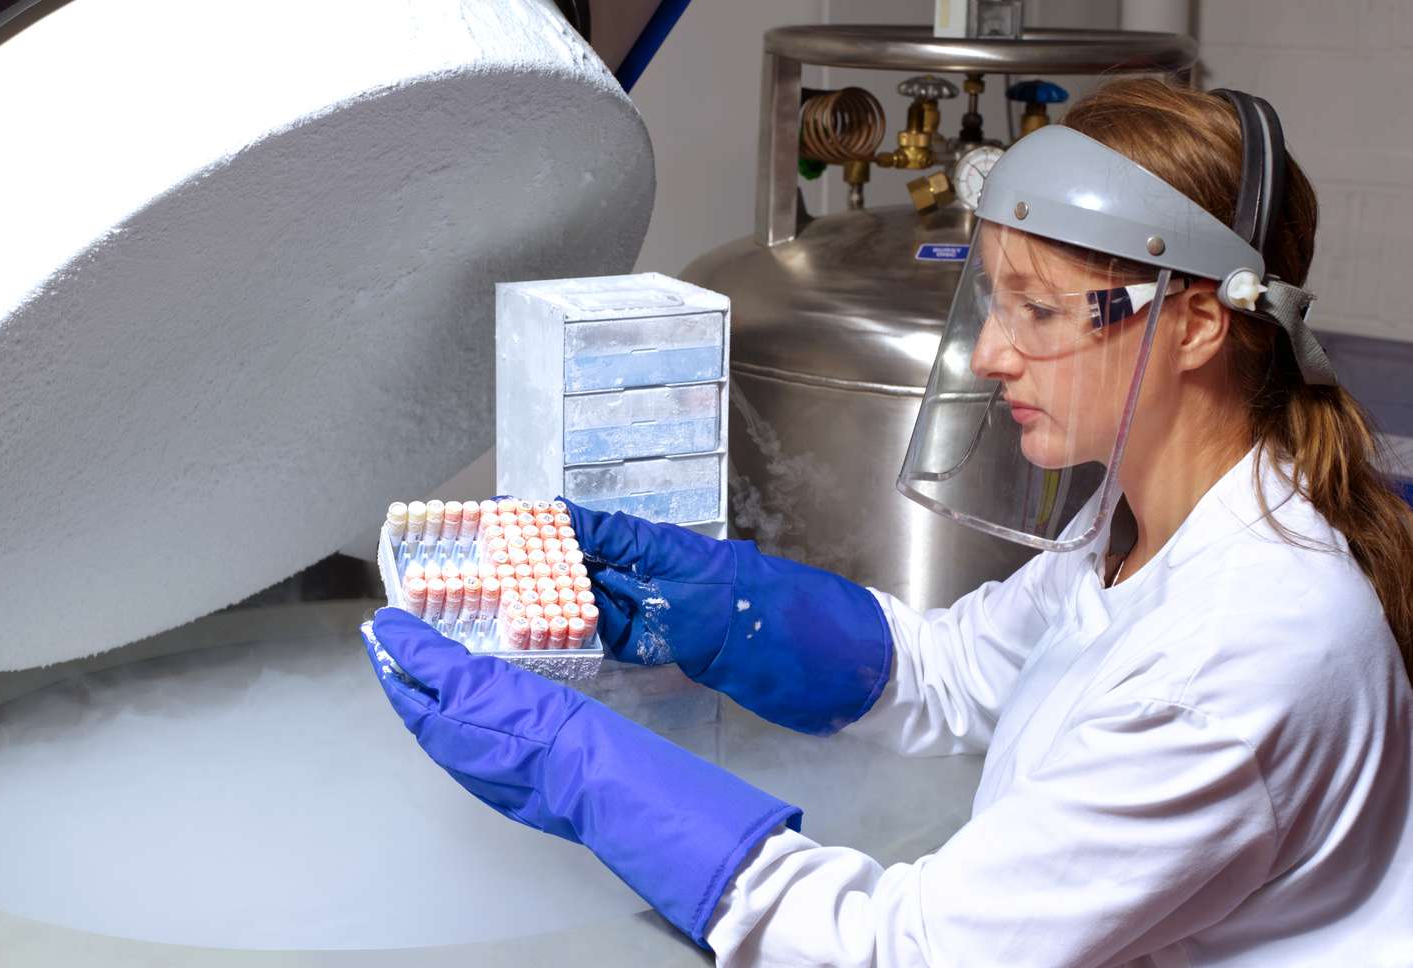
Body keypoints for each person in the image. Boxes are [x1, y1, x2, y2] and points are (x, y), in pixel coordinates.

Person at [361, 80, 1413, 966]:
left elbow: (904, 951)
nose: (991, 354)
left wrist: (582, 767)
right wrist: (731, 608)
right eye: (992, 303)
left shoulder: (1242, 652)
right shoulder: (1145, 522)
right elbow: (955, 670)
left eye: (1038, 310)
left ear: (1195, 325)